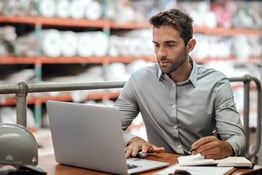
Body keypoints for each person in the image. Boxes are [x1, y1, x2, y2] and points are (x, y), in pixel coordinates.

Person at [114, 8, 246, 159]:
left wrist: (226, 147)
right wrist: (132, 139)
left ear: (190, 46)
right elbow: (110, 127)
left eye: (170, 45)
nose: (161, 53)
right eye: (157, 45)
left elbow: (238, 139)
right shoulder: (139, 81)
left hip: (204, 168)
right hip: (161, 166)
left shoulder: (216, 84)